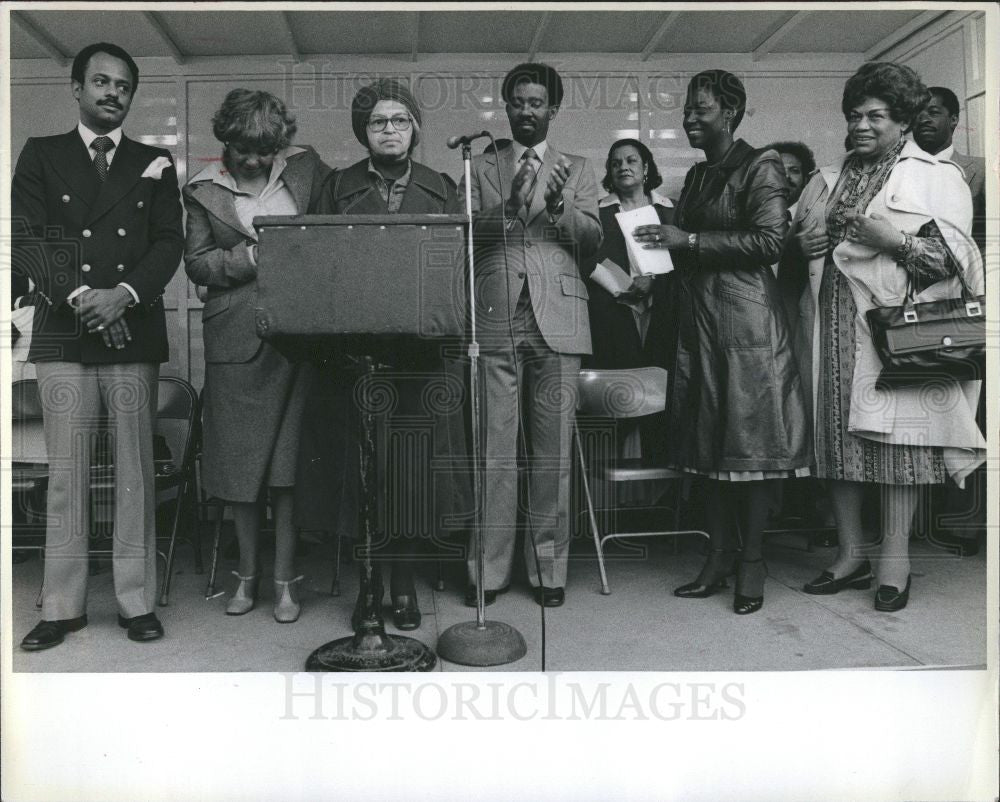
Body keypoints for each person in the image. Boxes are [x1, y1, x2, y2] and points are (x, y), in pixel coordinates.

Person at [786, 62, 984, 611]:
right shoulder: (828, 177)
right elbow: (798, 245)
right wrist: (799, 246)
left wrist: (892, 241)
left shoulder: (935, 177)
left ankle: (894, 562)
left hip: (899, 330)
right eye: (855, 115)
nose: (862, 125)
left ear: (903, 122)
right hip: (830, 324)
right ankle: (851, 555)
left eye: (876, 115)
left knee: (900, 445)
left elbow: (956, 263)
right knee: (837, 442)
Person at [15, 42, 183, 650]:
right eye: (102, 82)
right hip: (64, 331)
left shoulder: (155, 160)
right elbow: (28, 238)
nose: (113, 93)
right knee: (66, 473)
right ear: (77, 88)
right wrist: (90, 297)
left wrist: (125, 296)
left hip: (133, 326)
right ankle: (62, 606)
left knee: (135, 472)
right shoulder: (41, 154)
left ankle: (135, 601)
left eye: (123, 86)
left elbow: (169, 243)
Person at [633, 69, 810, 615]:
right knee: (705, 445)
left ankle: (752, 561)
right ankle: (719, 556)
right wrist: (655, 254)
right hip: (700, 323)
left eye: (700, 109)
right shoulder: (698, 176)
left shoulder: (761, 165)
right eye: (687, 108)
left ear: (729, 113)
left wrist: (687, 238)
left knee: (749, 446)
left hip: (747, 326)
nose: (689, 117)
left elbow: (769, 240)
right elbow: (686, 246)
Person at [294, 78, 465, 631]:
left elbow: (457, 273)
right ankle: (369, 587)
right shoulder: (336, 186)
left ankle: (403, 586)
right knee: (362, 473)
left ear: (415, 128)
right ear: (362, 132)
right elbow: (316, 266)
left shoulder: (443, 186)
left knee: (410, 474)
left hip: (419, 354)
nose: (389, 130)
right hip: (355, 354)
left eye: (399, 120)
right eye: (377, 122)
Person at [183, 90, 331, 623]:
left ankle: (286, 580)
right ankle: (245, 577)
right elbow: (197, 265)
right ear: (226, 139)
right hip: (234, 343)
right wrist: (250, 255)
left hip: (297, 338)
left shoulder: (310, 171)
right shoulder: (201, 190)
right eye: (243, 150)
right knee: (240, 467)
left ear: (280, 144)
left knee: (286, 469)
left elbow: (333, 235)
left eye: (264, 152)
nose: (252, 161)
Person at [460, 62, 601, 608]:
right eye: (517, 101)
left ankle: (548, 571)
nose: (526, 110)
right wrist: (510, 206)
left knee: (551, 456)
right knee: (492, 451)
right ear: (506, 106)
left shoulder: (579, 168)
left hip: (558, 319)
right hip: (495, 316)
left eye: (536, 102)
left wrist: (561, 206)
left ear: (553, 110)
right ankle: (488, 574)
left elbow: (590, 244)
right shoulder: (480, 164)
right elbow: (466, 233)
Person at [583, 138, 677, 463]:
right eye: (615, 162)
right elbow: (585, 258)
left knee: (663, 400)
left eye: (631, 160)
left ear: (646, 167)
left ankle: (658, 500)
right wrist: (619, 286)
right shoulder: (597, 213)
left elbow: (684, 264)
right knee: (617, 401)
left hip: (661, 315)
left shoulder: (669, 210)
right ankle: (612, 501)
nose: (623, 166)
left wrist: (654, 283)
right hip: (614, 315)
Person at [913, 86, 986, 256]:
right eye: (917, 114)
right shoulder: (899, 172)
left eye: (933, 112)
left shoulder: (982, 171)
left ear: (953, 119)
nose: (923, 119)